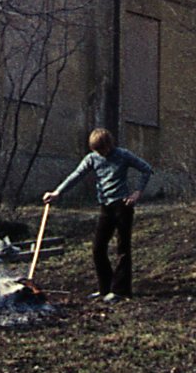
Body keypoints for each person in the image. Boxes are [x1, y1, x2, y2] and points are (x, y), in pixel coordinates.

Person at [43, 128, 153, 301]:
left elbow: (146, 169)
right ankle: (105, 288)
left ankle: (120, 291)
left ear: (109, 144)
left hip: (123, 206)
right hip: (106, 208)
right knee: (98, 248)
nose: (101, 153)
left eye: (103, 149)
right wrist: (57, 192)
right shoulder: (92, 158)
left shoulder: (123, 155)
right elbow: (76, 175)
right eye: (97, 150)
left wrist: (137, 193)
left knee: (123, 248)